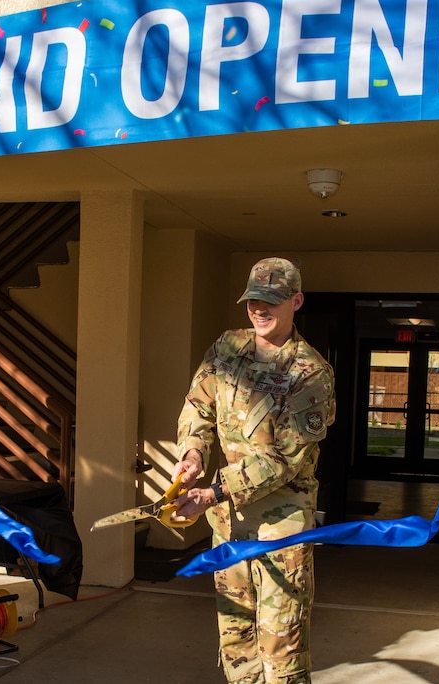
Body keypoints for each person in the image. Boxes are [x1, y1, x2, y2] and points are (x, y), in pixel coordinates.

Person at [170, 257, 336, 684]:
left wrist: (213, 491)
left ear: (296, 301)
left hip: (281, 533)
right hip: (228, 526)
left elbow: (285, 458)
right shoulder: (227, 348)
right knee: (236, 641)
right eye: (253, 300)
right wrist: (193, 454)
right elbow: (198, 406)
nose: (260, 309)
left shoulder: (310, 373)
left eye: (271, 300)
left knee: (281, 647)